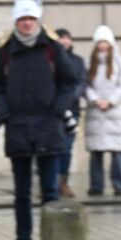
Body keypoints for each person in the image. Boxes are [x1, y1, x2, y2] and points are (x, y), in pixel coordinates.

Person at [0, 0, 80, 240]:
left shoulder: (51, 48)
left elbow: (69, 81)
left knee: (51, 191)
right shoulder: (5, 51)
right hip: (18, 128)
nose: (27, 24)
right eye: (22, 19)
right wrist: (3, 111)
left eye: (31, 19)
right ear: (16, 22)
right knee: (22, 193)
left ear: (37, 21)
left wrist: (57, 109)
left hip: (48, 127)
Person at [84, 25, 121, 197]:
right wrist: (95, 100)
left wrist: (111, 101)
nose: (102, 45)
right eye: (100, 42)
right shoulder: (90, 63)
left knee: (117, 152)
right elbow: (86, 85)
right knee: (96, 153)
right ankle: (96, 186)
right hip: (96, 113)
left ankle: (119, 185)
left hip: (114, 114)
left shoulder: (120, 62)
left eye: (105, 42)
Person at [55, 27, 86, 198]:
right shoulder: (50, 60)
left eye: (67, 38)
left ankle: (63, 182)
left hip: (72, 110)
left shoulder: (78, 61)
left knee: (66, 148)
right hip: (55, 111)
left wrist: (67, 98)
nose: (64, 41)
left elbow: (81, 83)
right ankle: (51, 183)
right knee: (52, 149)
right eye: (61, 38)